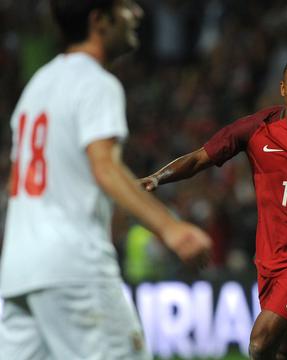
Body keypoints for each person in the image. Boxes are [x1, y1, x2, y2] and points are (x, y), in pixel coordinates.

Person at [0, 1, 212, 359]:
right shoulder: (96, 82)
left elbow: (15, 183)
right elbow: (105, 167)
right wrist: (171, 228)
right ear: (99, 20)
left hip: (19, 271)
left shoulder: (37, 85)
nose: (138, 13)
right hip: (73, 268)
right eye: (126, 6)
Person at [139, 54, 287, 359]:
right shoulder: (257, 128)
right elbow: (199, 158)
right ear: (282, 88)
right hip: (269, 262)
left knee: (260, 344)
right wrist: (156, 178)